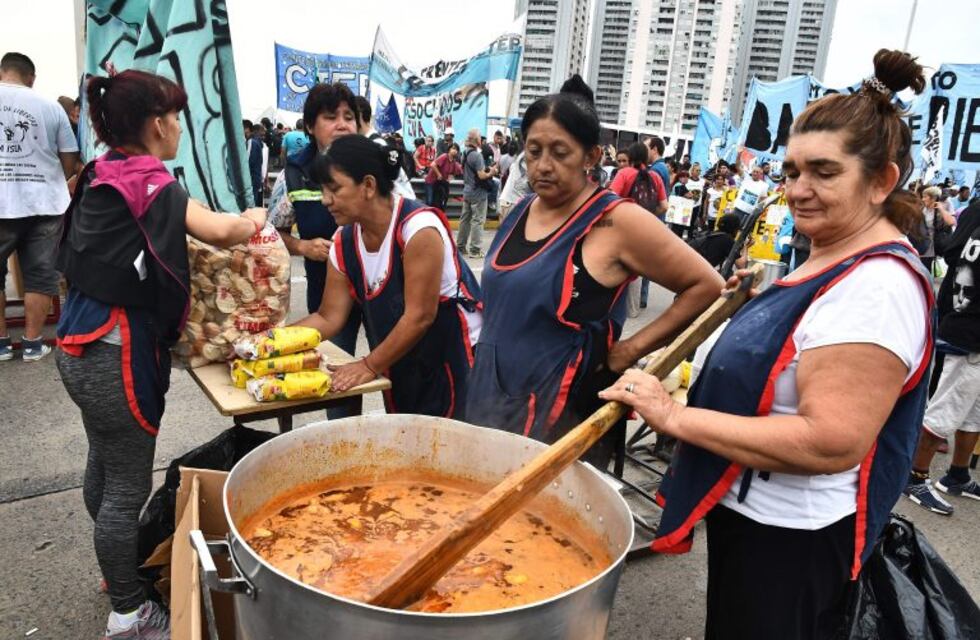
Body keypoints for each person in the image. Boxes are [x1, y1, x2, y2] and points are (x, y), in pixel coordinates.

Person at [600, 49, 935, 639]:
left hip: (792, 540)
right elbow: (801, 348)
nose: (798, 190)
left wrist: (671, 415)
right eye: (791, 171)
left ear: (882, 181)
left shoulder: (878, 287)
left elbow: (829, 441)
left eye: (824, 173)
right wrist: (750, 310)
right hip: (754, 517)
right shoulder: (833, 250)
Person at [56, 69, 267, 640]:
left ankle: (115, 569)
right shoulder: (151, 181)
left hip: (76, 343)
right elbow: (221, 232)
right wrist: (254, 219)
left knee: (104, 460)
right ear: (157, 123)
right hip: (115, 351)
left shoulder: (100, 171)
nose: (179, 126)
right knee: (126, 482)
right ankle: (128, 613)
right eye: (176, 116)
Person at [464, 76, 722, 468]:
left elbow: (706, 285)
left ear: (591, 157)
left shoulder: (617, 221)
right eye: (533, 151)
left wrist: (630, 352)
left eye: (560, 153)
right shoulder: (521, 210)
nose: (543, 165)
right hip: (491, 393)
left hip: (562, 409)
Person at [295, 135, 481, 416]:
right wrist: (269, 341)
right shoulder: (344, 242)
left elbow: (419, 316)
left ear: (368, 185)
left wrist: (368, 365)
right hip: (403, 357)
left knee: (451, 444)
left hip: (454, 358)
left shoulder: (418, 229)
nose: (325, 200)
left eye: (334, 189)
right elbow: (328, 317)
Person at [267, 82, 362, 364]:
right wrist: (302, 246)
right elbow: (272, 233)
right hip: (327, 295)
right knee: (335, 373)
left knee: (396, 375)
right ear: (310, 126)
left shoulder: (379, 166)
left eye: (348, 117)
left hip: (380, 292)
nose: (342, 125)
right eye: (331, 118)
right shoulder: (294, 174)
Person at [901, 199, 980, 514]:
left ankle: (957, 474)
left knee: (973, 412)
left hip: (964, 322)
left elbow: (955, 252)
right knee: (946, 408)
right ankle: (915, 476)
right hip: (968, 331)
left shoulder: (975, 211)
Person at [0, 52, 80, 362]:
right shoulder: (50, 107)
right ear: (31, 77)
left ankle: (2, 344)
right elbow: (69, 159)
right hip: (45, 203)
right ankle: (33, 344)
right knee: (41, 275)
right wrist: (51, 180)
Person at [609, 141, 670, 308]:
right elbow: (664, 206)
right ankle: (633, 307)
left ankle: (614, 305)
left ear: (630, 157)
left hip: (623, 229)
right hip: (645, 230)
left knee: (618, 265)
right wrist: (649, 215)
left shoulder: (624, 174)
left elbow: (610, 199)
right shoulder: (655, 177)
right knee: (637, 267)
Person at [353, 96, 416, 200]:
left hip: (401, 209)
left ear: (359, 115)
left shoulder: (376, 145)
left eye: (348, 117)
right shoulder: (370, 143)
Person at [458, 128, 497, 257]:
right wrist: (491, 172)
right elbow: (481, 176)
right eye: (480, 137)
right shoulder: (477, 155)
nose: (481, 140)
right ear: (476, 140)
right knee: (478, 220)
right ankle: (475, 250)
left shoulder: (465, 153)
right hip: (478, 193)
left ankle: (460, 247)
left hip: (467, 190)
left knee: (465, 219)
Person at [915, 185, 956, 272]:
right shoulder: (922, 208)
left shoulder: (941, 208)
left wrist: (941, 209)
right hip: (921, 242)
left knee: (924, 269)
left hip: (931, 245)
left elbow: (951, 222)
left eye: (925, 197)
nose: (923, 199)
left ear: (933, 198)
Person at [424, 142, 462, 209]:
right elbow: (432, 164)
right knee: (429, 201)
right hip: (431, 181)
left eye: (456, 149)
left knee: (438, 202)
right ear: (449, 150)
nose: (455, 151)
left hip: (439, 184)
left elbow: (456, 172)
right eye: (453, 148)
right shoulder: (444, 156)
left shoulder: (453, 162)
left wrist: (450, 177)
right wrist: (439, 174)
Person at [246, 122, 267, 206]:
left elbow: (250, 162)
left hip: (252, 178)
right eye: (262, 134)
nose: (263, 136)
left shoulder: (253, 143)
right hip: (256, 178)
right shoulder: (259, 144)